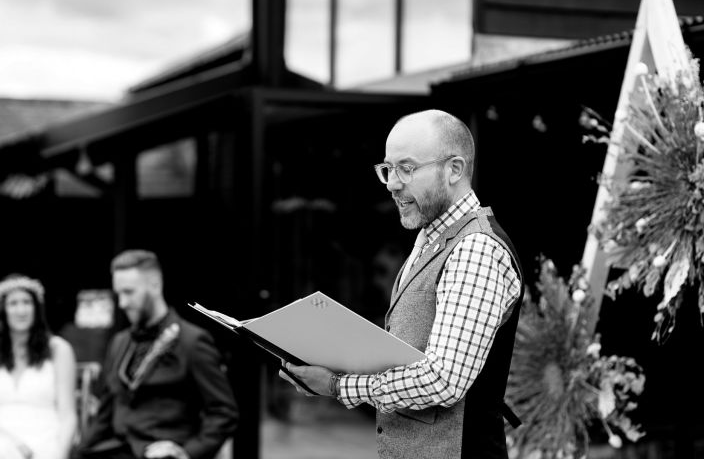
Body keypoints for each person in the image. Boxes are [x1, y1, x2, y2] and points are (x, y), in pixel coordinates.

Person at [280, 109, 524, 458]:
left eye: (406, 168)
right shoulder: (433, 234)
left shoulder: (476, 248)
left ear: (454, 169)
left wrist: (338, 386)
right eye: (387, 169)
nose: (393, 183)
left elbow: (443, 380)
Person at [74, 249, 238, 459]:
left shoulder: (192, 341)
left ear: (155, 285)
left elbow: (223, 412)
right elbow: (105, 413)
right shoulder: (119, 342)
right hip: (114, 450)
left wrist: (187, 453)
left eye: (129, 292)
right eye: (119, 294)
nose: (122, 303)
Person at [0, 274, 78, 459]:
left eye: (27, 302)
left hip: (47, 436)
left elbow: (68, 415)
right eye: (13, 303)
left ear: (36, 308)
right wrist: (14, 443)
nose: (21, 310)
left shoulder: (59, 349)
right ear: (2, 310)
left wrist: (61, 452)